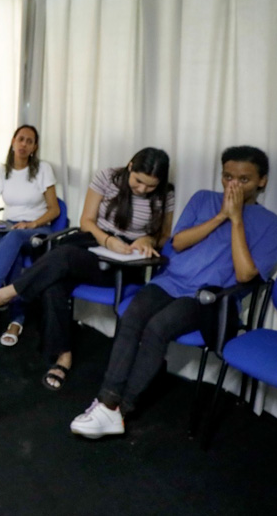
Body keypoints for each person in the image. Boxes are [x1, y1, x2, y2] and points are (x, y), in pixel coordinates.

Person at [71, 146, 277, 438]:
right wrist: (220, 217)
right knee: (132, 317)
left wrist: (237, 219)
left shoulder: (271, 224)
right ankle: (107, 402)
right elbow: (178, 243)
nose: (233, 185)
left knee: (158, 327)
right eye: (228, 177)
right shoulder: (203, 199)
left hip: (210, 298)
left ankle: (120, 409)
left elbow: (245, 275)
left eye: (243, 180)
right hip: (170, 281)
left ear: (262, 181)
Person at [0, 148, 175, 390]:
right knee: (57, 276)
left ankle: (7, 294)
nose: (142, 190)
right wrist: (108, 241)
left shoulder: (165, 194)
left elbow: (164, 236)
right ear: (130, 166)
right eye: (139, 182)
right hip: (96, 241)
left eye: (150, 187)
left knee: (61, 259)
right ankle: (63, 356)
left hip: (128, 260)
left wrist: (148, 241)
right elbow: (86, 221)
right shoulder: (107, 177)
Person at [0, 125, 60, 347]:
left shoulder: (43, 169)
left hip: (37, 231)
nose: (24, 144)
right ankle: (16, 320)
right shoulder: (1, 172)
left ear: (35, 147)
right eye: (21, 139)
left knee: (14, 239)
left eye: (29, 141)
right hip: (8, 230)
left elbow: (54, 209)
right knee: (13, 251)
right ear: (13, 142)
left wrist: (31, 223)